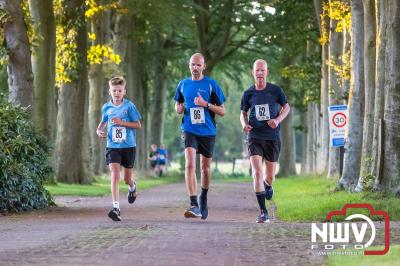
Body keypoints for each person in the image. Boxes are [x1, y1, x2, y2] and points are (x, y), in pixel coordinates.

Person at [174, 53, 226, 219]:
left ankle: (203, 197)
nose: (195, 68)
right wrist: (179, 109)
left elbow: (222, 110)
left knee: (205, 168)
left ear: (204, 66)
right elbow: (178, 104)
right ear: (189, 66)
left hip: (208, 131)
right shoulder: (183, 85)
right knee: (190, 164)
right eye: (192, 64)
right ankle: (193, 203)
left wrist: (206, 104)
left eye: (198, 65)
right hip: (189, 129)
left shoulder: (211, 85)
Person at [240, 59, 290, 223]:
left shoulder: (275, 90)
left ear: (266, 72)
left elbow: (286, 107)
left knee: (269, 176)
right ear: (253, 73)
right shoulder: (248, 93)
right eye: (257, 70)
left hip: (272, 137)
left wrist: (278, 120)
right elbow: (243, 113)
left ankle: (268, 186)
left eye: (262, 70)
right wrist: (244, 124)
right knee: (257, 173)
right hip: (254, 136)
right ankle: (263, 212)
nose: (259, 73)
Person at [96, 76, 142, 222]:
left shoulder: (129, 106)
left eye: (119, 90)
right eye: (114, 90)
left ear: (124, 92)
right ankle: (116, 208)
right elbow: (103, 122)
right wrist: (99, 131)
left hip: (128, 146)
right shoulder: (106, 107)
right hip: (112, 146)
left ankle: (132, 187)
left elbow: (138, 125)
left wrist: (122, 122)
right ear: (110, 91)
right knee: (115, 174)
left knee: (126, 179)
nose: (117, 93)